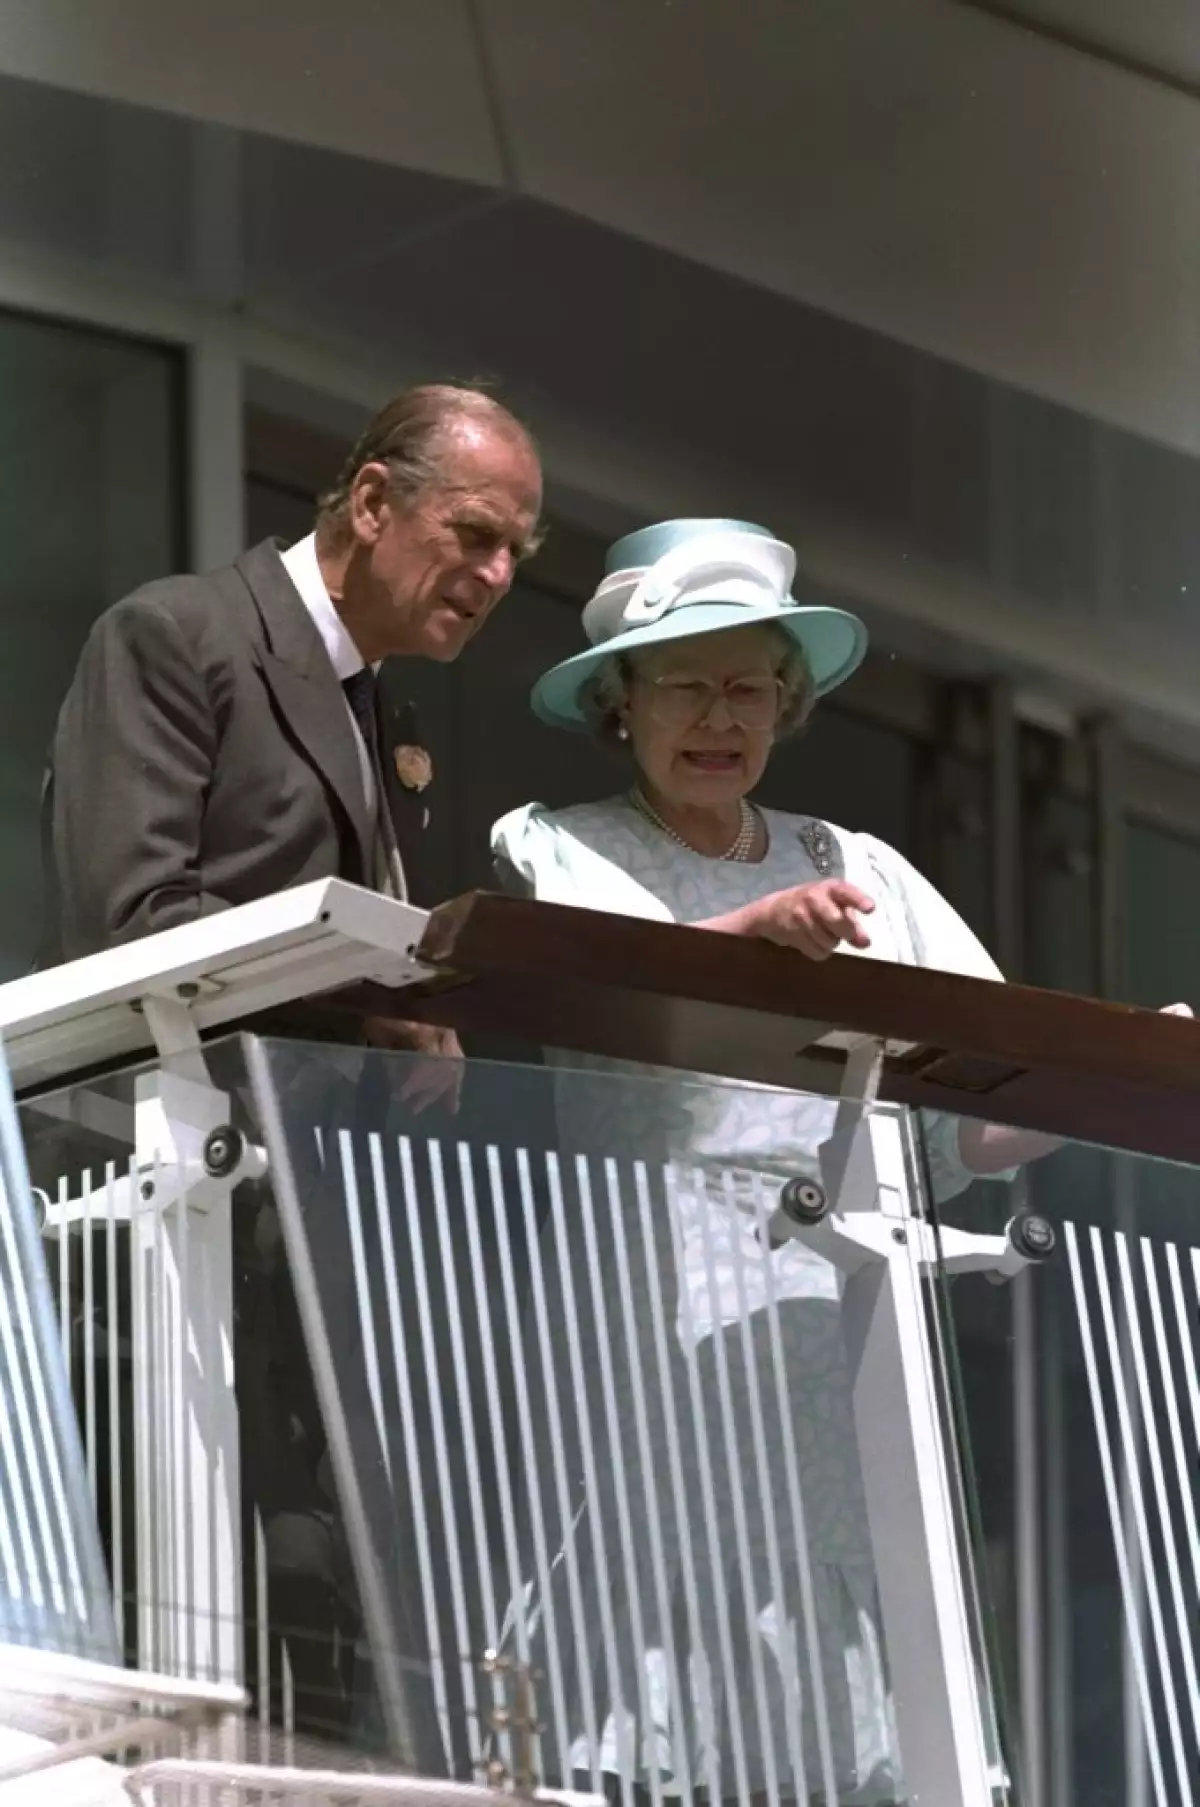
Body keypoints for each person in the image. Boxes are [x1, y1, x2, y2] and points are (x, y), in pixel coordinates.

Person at [488, 518, 1182, 1804]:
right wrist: (768, 940)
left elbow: (973, 1113)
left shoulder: (859, 867)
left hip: (838, 1312)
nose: (720, 715)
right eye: (686, 680)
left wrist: (1123, 1067)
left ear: (787, 706)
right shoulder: (557, 842)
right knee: (663, 1681)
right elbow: (638, 995)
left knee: (843, 1712)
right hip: (659, 1319)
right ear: (619, 697)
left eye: (750, 686)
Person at [37, 382, 542, 1740]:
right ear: (372, 500)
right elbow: (128, 918)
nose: (496, 577)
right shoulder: (178, 633)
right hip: (153, 1238)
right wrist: (374, 994)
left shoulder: (378, 706)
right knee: (173, 1641)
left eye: (516, 556)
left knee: (305, 1650)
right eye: (477, 534)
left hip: (299, 1249)